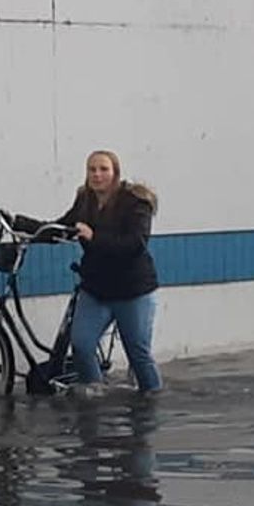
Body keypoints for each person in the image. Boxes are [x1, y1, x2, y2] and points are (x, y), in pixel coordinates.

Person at [55, 150, 163, 395]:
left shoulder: (135, 202)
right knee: (81, 345)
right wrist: (20, 225)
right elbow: (61, 227)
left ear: (115, 173)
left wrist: (95, 237)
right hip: (96, 289)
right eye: (92, 169)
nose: (97, 175)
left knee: (138, 353)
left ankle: (153, 400)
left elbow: (135, 244)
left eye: (103, 169)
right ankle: (96, 396)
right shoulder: (85, 200)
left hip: (133, 290)